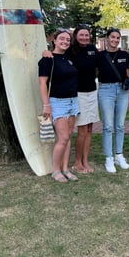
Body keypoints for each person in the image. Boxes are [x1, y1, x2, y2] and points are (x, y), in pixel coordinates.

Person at [38, 29, 79, 183]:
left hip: (73, 101)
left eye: (68, 39)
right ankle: (55, 170)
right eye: (62, 39)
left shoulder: (69, 58)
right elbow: (42, 83)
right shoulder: (47, 60)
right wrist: (46, 104)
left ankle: (65, 169)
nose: (65, 42)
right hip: (57, 102)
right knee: (62, 138)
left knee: (68, 138)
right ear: (54, 40)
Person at [96, 28, 129, 174]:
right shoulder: (99, 56)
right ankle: (109, 158)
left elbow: (128, 77)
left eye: (118, 38)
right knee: (108, 126)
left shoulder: (124, 54)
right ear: (107, 38)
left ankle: (119, 155)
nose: (115, 40)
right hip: (106, 90)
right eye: (113, 37)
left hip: (122, 92)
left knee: (120, 126)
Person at [69, 25, 99, 173]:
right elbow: (56, 55)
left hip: (92, 92)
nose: (84, 38)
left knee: (89, 129)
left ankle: (85, 161)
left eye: (87, 35)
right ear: (76, 36)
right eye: (81, 35)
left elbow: (102, 65)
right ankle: (77, 162)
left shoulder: (93, 49)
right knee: (81, 130)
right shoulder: (70, 50)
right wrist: (46, 52)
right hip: (78, 94)